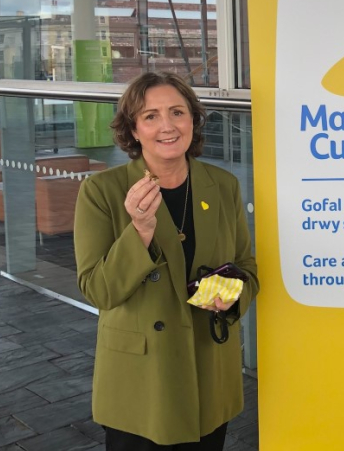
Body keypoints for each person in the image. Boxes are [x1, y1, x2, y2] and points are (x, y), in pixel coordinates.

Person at [74, 71, 259, 450]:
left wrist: (231, 295)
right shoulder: (101, 191)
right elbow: (97, 290)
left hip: (207, 372)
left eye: (177, 112)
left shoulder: (223, 186)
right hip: (142, 381)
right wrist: (139, 230)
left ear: (193, 119)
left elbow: (247, 267)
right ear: (133, 129)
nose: (168, 126)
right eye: (151, 116)